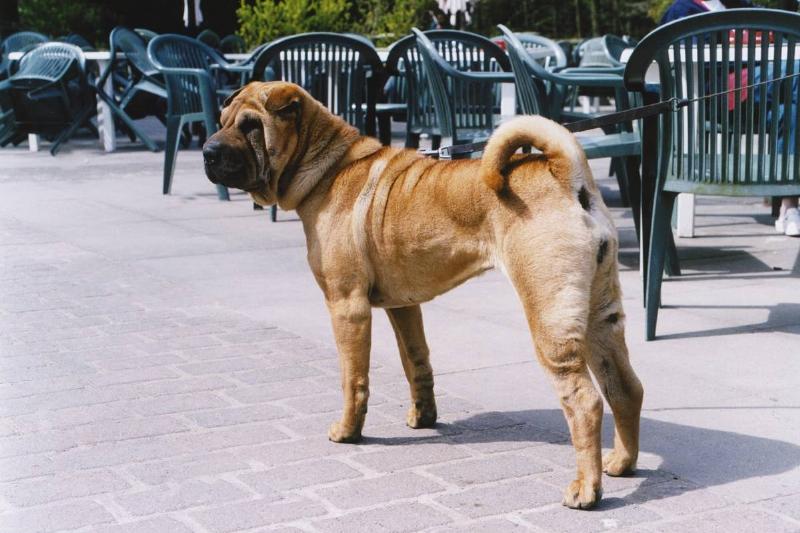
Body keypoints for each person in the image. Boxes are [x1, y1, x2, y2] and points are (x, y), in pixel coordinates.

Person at [660, 0, 800, 237]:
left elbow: (783, 39)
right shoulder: (684, 9)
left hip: (760, 94)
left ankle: (789, 206)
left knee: (791, 112)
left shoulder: (743, 7)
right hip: (714, 96)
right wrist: (736, 43)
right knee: (797, 73)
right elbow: (679, 62)